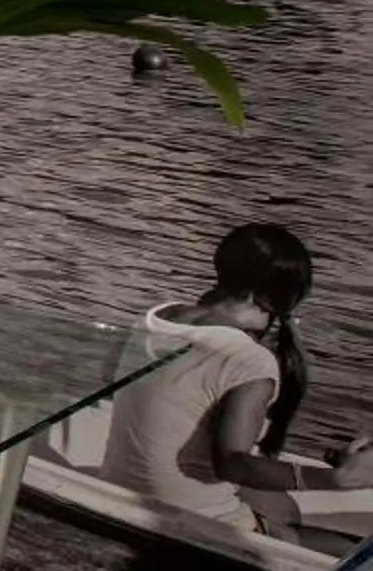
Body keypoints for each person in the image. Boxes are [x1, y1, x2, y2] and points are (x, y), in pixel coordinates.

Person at [101, 224, 369, 534]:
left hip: (119, 491)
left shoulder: (155, 317)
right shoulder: (249, 359)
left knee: (279, 506)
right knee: (313, 542)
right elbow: (231, 464)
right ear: (282, 299)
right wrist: (335, 479)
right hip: (195, 518)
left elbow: (110, 375)